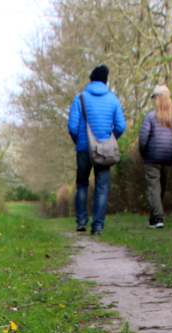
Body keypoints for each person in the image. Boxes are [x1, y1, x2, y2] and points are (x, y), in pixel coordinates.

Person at [67, 65, 126, 235]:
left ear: (91, 80)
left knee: (82, 185)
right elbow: (121, 126)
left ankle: (81, 221)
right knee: (102, 187)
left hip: (84, 149)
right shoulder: (113, 99)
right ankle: (98, 226)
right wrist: (110, 139)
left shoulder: (80, 98)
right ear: (105, 81)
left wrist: (80, 141)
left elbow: (72, 126)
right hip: (105, 150)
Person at [138, 85, 172, 229]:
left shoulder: (151, 117)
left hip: (152, 157)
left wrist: (143, 154)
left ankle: (158, 218)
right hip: (167, 158)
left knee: (154, 189)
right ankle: (154, 218)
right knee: (160, 189)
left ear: (158, 99)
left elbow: (143, 139)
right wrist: (171, 152)